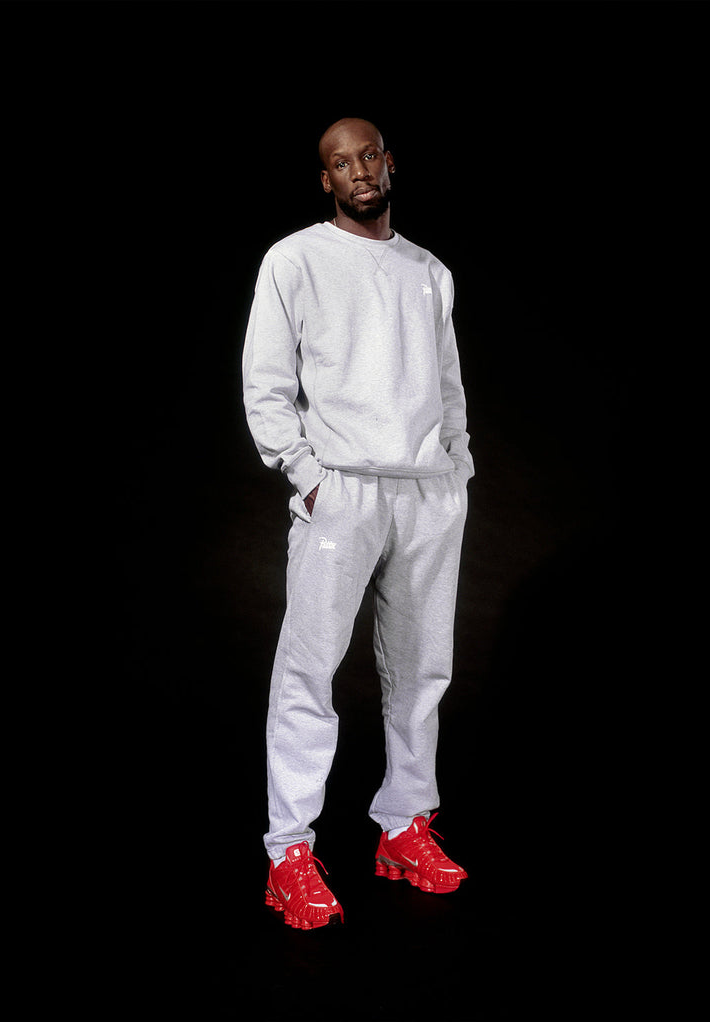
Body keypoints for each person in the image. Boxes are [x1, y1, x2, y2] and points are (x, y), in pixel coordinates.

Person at [242, 117, 474, 930]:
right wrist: (307, 478)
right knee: (309, 672)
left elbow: (447, 385)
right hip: (340, 490)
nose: (359, 171)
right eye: (341, 163)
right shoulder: (295, 259)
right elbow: (266, 385)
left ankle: (404, 828)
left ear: (389, 163)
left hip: (427, 494)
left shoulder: (429, 271)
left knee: (422, 672)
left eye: (368, 155)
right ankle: (288, 854)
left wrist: (456, 470)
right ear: (327, 180)